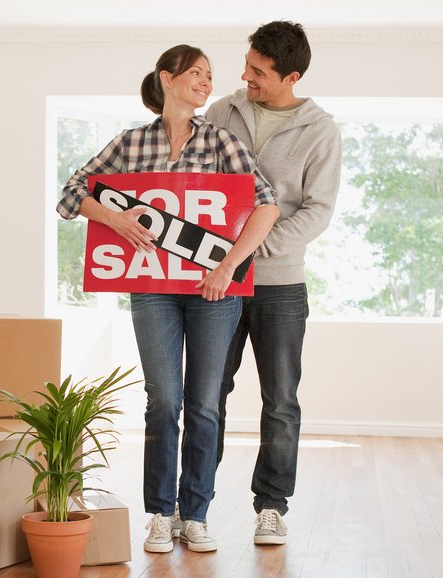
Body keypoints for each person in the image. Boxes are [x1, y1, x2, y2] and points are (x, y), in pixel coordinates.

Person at [56, 44, 279, 554]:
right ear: (168, 78)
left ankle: (194, 515)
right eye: (196, 73)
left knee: (204, 406)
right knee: (164, 402)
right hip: (152, 290)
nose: (206, 82)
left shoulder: (221, 141)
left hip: (212, 292)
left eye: (209, 76)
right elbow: (72, 193)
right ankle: (160, 513)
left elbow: (266, 207)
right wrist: (114, 217)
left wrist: (227, 266)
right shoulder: (131, 143)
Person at [204, 21, 342, 545]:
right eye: (248, 65)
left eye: (258, 71)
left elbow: (318, 211)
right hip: (217, 280)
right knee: (207, 393)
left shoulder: (320, 130)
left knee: (280, 399)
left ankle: (272, 506)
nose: (245, 77)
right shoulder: (223, 112)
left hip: (280, 284)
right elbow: (198, 181)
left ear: (292, 75)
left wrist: (248, 250)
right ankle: (194, 502)